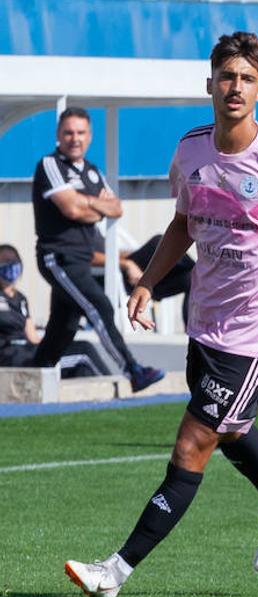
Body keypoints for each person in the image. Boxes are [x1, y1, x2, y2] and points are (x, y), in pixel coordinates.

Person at [64, 32, 258, 597]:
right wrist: (146, 282)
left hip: (257, 336)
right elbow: (181, 224)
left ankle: (114, 572)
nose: (235, 87)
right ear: (210, 85)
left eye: (247, 79)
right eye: (227, 76)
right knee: (233, 430)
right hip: (207, 323)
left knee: (193, 445)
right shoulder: (191, 148)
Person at [30, 107, 166, 390]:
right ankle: (133, 370)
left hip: (85, 258)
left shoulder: (92, 171)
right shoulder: (51, 165)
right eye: (68, 132)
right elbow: (71, 210)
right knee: (99, 306)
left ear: (90, 136)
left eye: (80, 133)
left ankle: (32, 375)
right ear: (58, 135)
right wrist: (93, 205)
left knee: (63, 328)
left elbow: (115, 208)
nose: (74, 138)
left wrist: (86, 204)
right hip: (58, 256)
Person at [0, 243, 108, 376]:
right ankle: (118, 387)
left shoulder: (21, 299)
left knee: (81, 369)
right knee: (84, 351)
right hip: (11, 356)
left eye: (13, 261)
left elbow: (33, 337)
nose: (10, 265)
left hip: (30, 350)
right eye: (5, 261)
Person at [94, 235, 196, 327]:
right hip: (115, 276)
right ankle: (197, 268)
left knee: (192, 278)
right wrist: (127, 264)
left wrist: (126, 257)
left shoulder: (93, 228)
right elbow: (85, 256)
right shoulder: (80, 230)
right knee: (158, 242)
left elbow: (109, 252)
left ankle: (192, 332)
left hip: (134, 272)